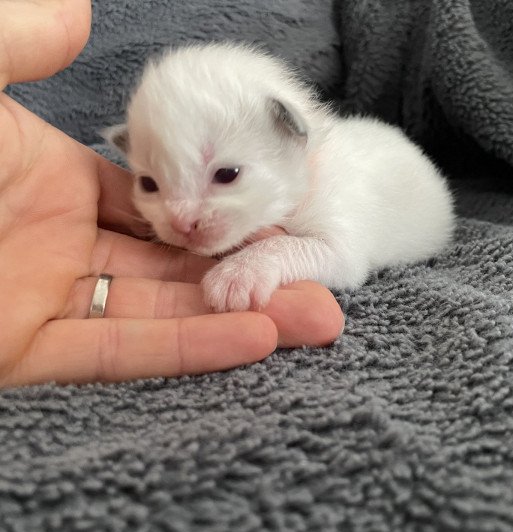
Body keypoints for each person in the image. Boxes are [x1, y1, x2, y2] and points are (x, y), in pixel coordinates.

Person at [0, 0, 344, 387]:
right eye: (150, 184)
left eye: (225, 175)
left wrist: (267, 259)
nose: (181, 218)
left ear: (293, 133)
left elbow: (343, 255)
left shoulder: (337, 179)